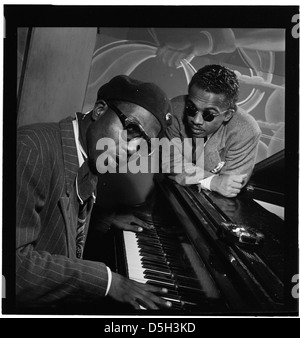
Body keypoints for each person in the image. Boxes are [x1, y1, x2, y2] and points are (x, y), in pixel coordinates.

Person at [16, 75, 173, 311]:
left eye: (142, 144)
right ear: (100, 110)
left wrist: (104, 220)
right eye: (131, 129)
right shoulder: (30, 149)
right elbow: (12, 268)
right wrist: (109, 282)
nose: (132, 149)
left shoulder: (91, 155)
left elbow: (61, 212)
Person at [163, 64, 261, 198]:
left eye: (208, 114)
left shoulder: (247, 130)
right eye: (191, 108)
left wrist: (188, 174)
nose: (196, 120)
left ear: (228, 115)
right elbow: (169, 163)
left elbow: (230, 185)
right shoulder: (174, 109)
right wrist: (212, 181)